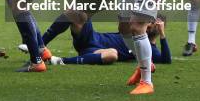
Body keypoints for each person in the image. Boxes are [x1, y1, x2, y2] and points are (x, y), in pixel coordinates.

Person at [42, 11, 171, 66]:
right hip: (92, 37)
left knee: (112, 54)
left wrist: (163, 35)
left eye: (155, 24)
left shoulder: (149, 49)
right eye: (150, 21)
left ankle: (61, 61)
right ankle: (40, 45)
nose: (151, 25)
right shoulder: (135, 30)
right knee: (77, 13)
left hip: (96, 52)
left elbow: (166, 60)